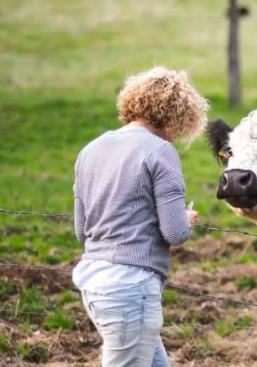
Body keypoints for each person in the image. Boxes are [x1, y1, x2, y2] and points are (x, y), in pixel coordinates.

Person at [72, 67, 208, 366]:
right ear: (179, 115)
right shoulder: (161, 151)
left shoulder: (90, 150)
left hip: (94, 280)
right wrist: (186, 218)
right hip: (131, 287)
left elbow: (82, 231)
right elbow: (175, 233)